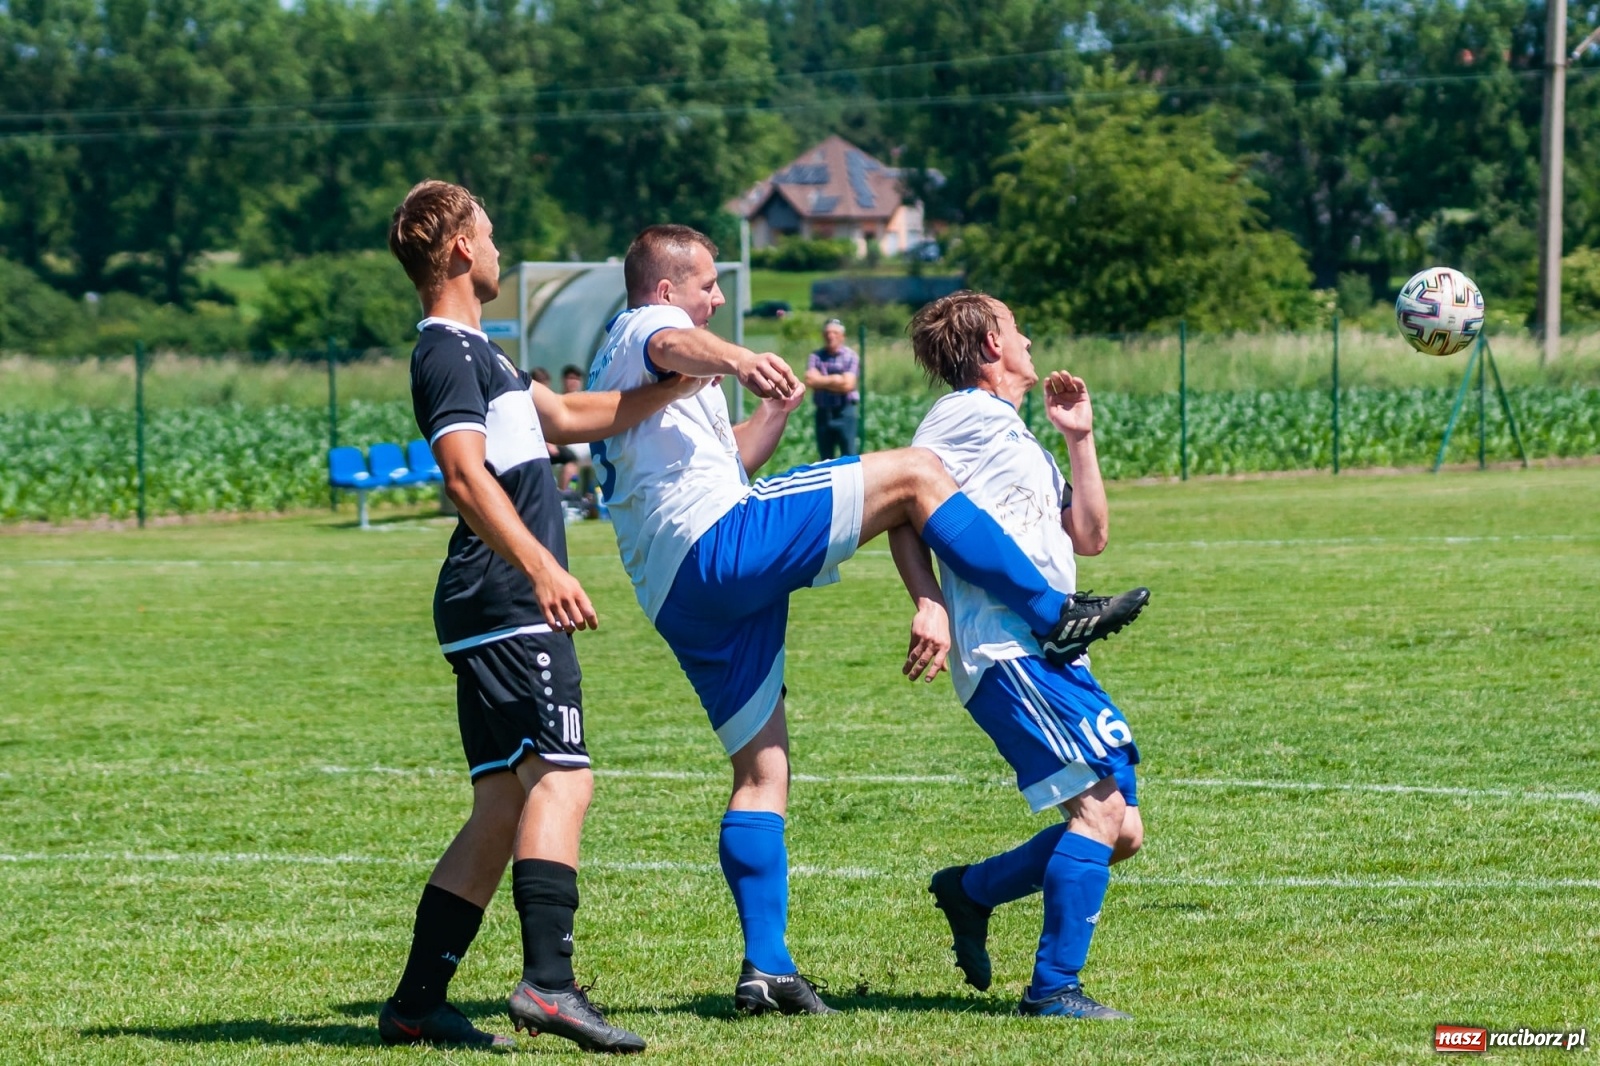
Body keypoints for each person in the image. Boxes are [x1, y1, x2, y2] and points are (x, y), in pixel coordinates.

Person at [584, 224, 1148, 1015]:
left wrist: (772, 411)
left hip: (682, 591)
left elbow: (726, 462)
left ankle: (767, 969)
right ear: (666, 286)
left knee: (763, 772)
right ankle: (1056, 614)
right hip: (716, 541)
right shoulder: (647, 326)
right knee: (913, 476)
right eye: (709, 283)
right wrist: (741, 359)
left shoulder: (668, 380)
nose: (718, 297)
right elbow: (675, 341)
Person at [380, 180, 696, 1053]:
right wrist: (544, 565)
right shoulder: (445, 352)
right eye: (488, 235)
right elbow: (462, 474)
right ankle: (549, 985)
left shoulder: (490, 357)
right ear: (457, 253)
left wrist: (687, 379)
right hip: (505, 599)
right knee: (564, 779)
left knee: (498, 810)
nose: (497, 249)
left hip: (490, 604)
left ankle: (414, 1003)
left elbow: (575, 417)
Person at [890, 290, 1146, 1020]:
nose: (1029, 336)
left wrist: (1079, 438)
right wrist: (929, 602)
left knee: (1121, 831)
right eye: (1016, 326)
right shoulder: (960, 417)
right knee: (1098, 811)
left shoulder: (1013, 433)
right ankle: (1054, 988)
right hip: (1009, 650)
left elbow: (1090, 537)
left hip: (1059, 653)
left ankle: (970, 891)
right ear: (990, 344)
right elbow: (900, 509)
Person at [804, 318, 859, 459]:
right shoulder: (816, 356)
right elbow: (810, 380)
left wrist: (821, 381)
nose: (830, 336)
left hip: (844, 412)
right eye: (827, 333)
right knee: (825, 458)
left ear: (842, 336)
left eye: (835, 333)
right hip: (823, 412)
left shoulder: (851, 356)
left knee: (849, 455)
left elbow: (848, 385)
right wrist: (836, 379)